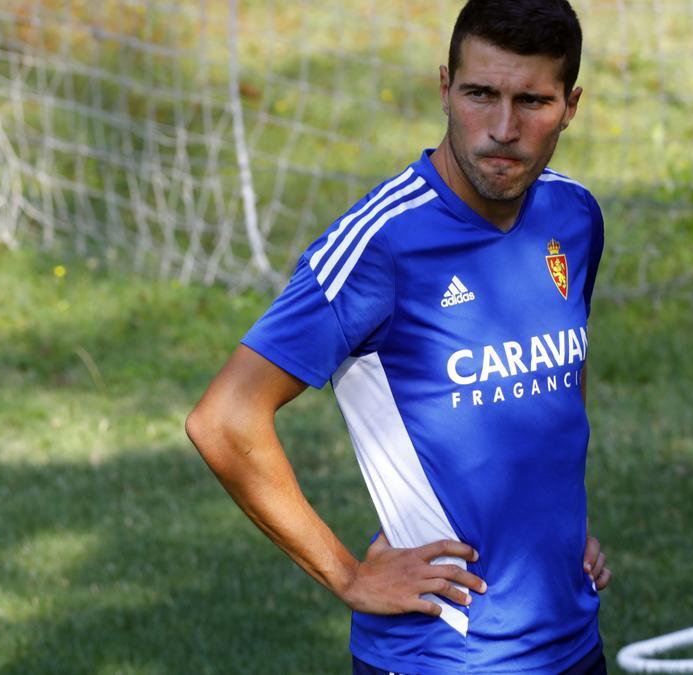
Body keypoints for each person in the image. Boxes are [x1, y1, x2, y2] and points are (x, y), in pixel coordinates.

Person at [184, 0, 613, 672]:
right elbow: (224, 419)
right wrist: (349, 575)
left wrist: (558, 525)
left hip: (573, 642)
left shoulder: (575, 214)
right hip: (439, 654)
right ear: (445, 88)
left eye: (532, 100)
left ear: (571, 104)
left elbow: (562, 373)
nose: (503, 128)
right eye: (480, 94)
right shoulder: (380, 245)